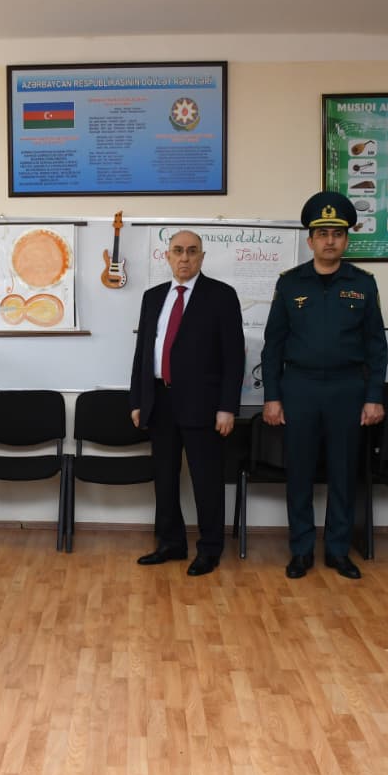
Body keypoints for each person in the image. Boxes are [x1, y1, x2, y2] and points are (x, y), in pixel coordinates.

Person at [261, 192, 387, 580]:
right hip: (299, 387)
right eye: (322, 234)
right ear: (310, 240)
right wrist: (272, 396)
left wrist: (374, 397)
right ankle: (301, 550)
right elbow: (273, 345)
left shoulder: (363, 284)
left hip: (347, 388)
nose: (330, 240)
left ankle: (337, 550)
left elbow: (376, 346)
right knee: (299, 472)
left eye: (337, 233)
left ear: (346, 239)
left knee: (343, 473)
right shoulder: (289, 284)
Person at [129, 229, 244, 577]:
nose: (184, 257)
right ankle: (170, 543)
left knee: (206, 480)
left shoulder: (221, 296)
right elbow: (142, 353)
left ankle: (210, 549)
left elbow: (234, 357)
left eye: (192, 251)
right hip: (159, 401)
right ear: (167, 256)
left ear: (202, 257)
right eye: (178, 250)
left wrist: (227, 407)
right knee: (164, 479)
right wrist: (137, 400)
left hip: (204, 405)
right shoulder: (152, 297)